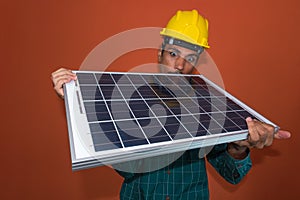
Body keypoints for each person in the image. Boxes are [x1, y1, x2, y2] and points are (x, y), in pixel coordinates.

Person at [51, 10, 291, 200]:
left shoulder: (210, 105)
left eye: (190, 58)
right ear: (159, 53)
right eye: (173, 54)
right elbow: (124, 167)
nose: (179, 66)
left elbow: (231, 174)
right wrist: (74, 98)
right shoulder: (126, 96)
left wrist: (239, 147)